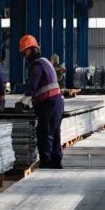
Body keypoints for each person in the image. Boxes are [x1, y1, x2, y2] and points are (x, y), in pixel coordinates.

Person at [20, 35, 65, 169]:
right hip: (57, 102)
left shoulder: (37, 64)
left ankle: (46, 165)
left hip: (49, 103)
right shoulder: (45, 61)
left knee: (45, 134)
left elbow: (33, 83)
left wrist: (25, 98)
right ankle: (56, 163)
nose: (24, 56)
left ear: (31, 50)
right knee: (55, 133)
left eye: (24, 52)